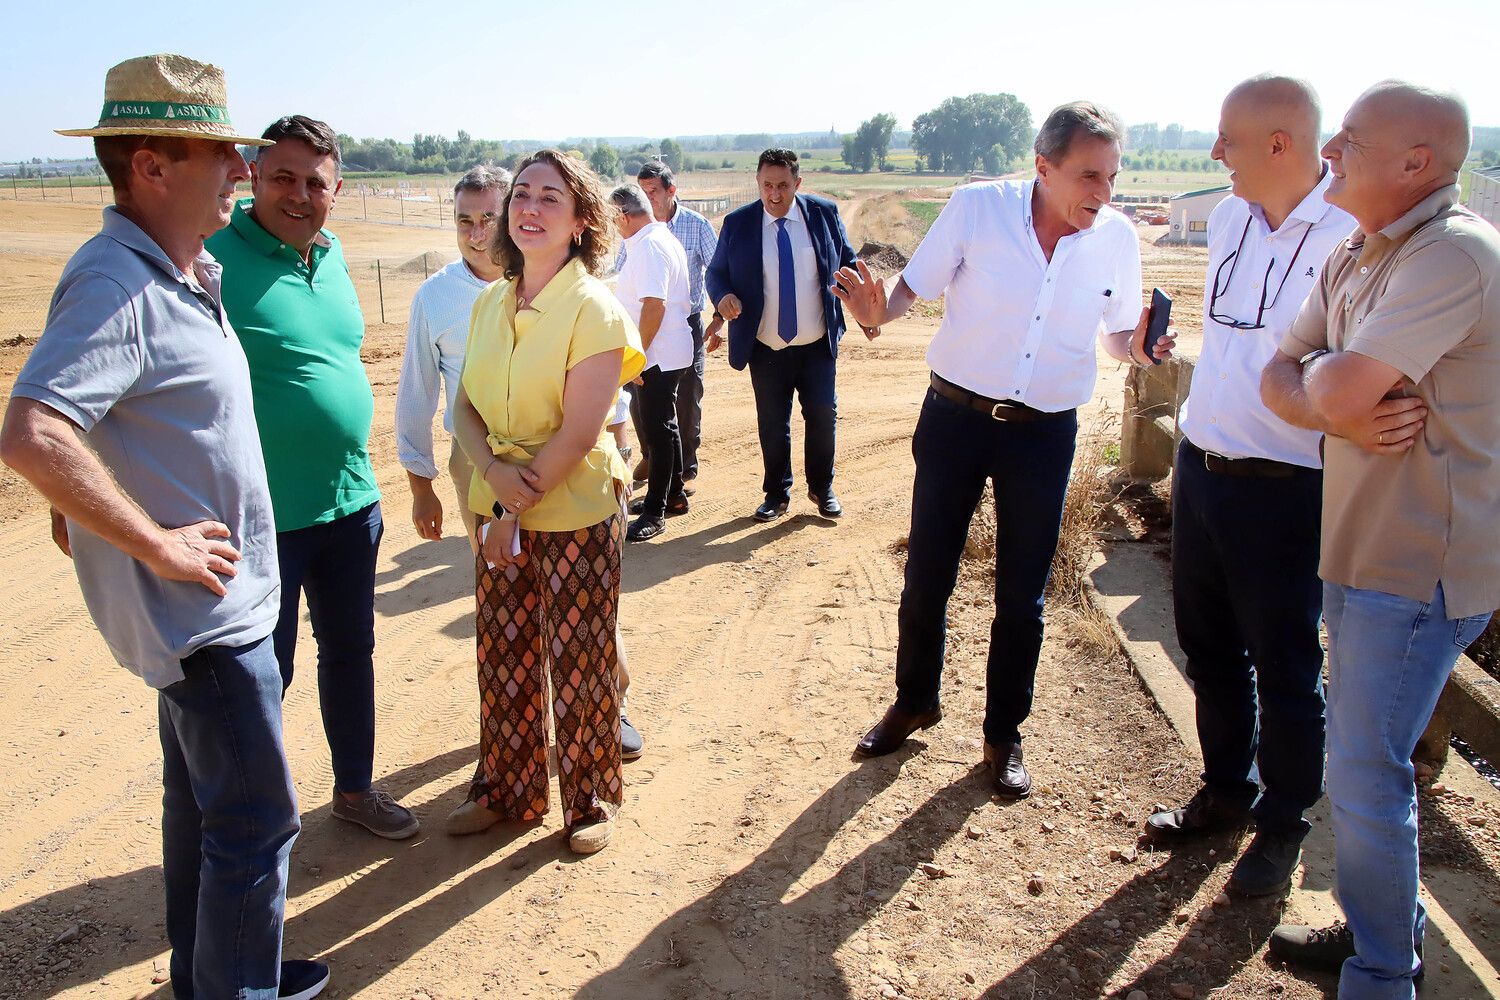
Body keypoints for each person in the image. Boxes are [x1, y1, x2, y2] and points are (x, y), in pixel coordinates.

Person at [1, 54, 327, 999]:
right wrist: (153, 538)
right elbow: (33, 430)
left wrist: (98, 505)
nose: (240, 170)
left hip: (212, 607)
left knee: (202, 813)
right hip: (206, 618)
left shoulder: (178, 268)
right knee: (257, 822)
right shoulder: (118, 282)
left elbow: (112, 424)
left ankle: (216, 977)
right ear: (150, 167)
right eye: (220, 153)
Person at [834, 102, 1171, 798]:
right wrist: (873, 315)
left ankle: (1002, 732)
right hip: (955, 419)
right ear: (1043, 167)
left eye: (1112, 177)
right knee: (929, 571)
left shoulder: (1116, 239)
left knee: (1024, 594)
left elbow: (1114, 336)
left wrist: (1135, 347)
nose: (1103, 195)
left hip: (1044, 434)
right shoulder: (976, 209)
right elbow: (907, 295)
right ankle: (915, 699)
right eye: (1088, 176)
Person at [1262, 81, 1499, 999]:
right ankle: (1375, 932)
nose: (1331, 151)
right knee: (1364, 768)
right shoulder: (1363, 250)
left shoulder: (1453, 257)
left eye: (1351, 141)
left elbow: (1315, 386)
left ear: (1417, 163)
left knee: (1366, 776)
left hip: (1415, 569)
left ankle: (1381, 976)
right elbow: (1279, 377)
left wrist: (1328, 396)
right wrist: (1338, 405)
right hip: (1362, 552)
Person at [1142, 76, 1355, 898]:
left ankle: (1283, 827)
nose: (1213, 153)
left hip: (1287, 486)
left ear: (1279, 144)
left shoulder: (1349, 236)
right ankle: (1229, 790)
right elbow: (1237, 337)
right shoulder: (1229, 216)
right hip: (1203, 465)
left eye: (1227, 137)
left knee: (1287, 665)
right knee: (1207, 646)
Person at [207, 115, 418, 840]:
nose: (299, 195)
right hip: (259, 516)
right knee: (263, 676)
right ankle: (249, 825)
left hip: (349, 502)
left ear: (337, 190)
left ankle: (354, 793)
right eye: (283, 178)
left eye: (315, 183)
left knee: (350, 654)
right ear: (252, 176)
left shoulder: (332, 258)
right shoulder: (209, 257)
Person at [444, 149, 645, 854]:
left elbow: (580, 432)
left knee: (579, 659)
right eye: (521, 195)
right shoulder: (492, 301)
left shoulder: (594, 309)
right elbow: (464, 404)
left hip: (572, 512)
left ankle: (589, 802)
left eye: (549, 198)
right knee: (504, 658)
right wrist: (492, 474)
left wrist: (509, 510)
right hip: (500, 499)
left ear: (582, 219)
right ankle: (506, 790)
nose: (529, 208)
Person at [706, 148, 869, 522]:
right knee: (772, 422)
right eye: (767, 186)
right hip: (766, 346)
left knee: (823, 414)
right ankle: (776, 493)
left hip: (816, 344)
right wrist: (723, 297)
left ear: (798, 183)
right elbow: (716, 274)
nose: (775, 194)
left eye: (783, 185)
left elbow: (847, 264)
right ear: (758, 183)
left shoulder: (824, 215)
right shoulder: (738, 223)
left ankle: (822, 487)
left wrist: (865, 308)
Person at [397, 164, 512, 553]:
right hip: (472, 457)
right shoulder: (435, 296)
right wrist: (421, 487)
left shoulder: (544, 278)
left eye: (488, 219)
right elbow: (417, 392)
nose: (477, 235)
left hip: (550, 449)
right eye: (465, 221)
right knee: (496, 573)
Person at [620, 161, 723, 484]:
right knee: (642, 402)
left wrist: (720, 317)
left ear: (671, 191)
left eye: (654, 192)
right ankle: (657, 463)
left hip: (681, 324)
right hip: (643, 327)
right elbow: (622, 270)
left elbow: (719, 271)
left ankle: (682, 470)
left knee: (685, 400)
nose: (649, 199)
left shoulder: (693, 227)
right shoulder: (641, 236)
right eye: (643, 192)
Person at [610, 182, 694, 542]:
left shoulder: (650, 247)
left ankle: (655, 511)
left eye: (612, 219)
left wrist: (637, 357)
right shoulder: (654, 241)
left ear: (622, 215)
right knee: (665, 427)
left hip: (656, 355)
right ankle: (672, 495)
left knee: (658, 432)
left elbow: (654, 305)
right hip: (663, 352)